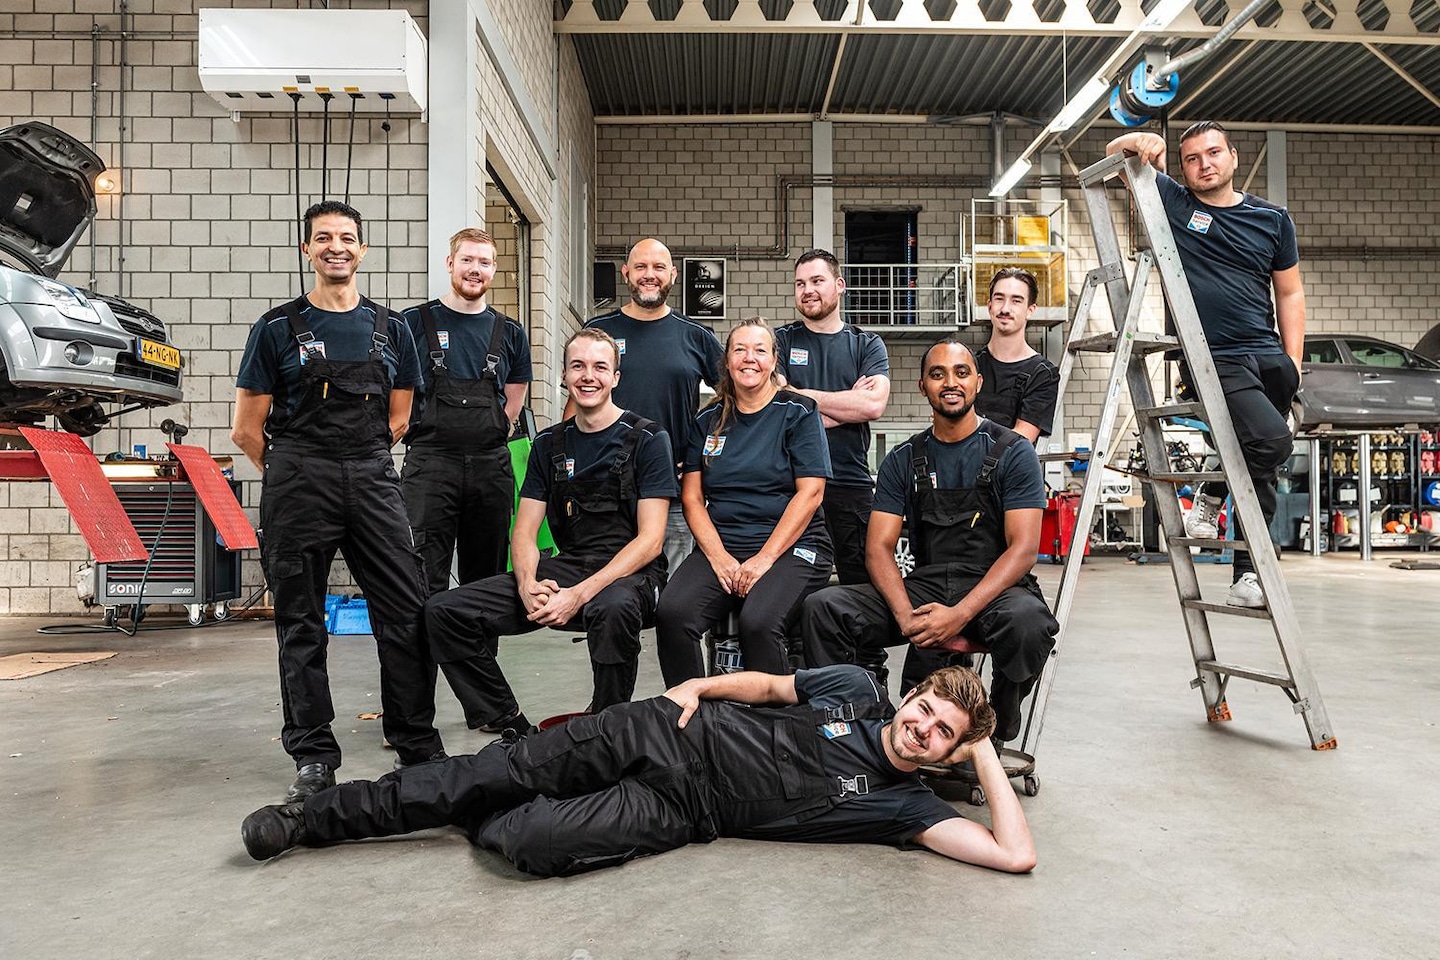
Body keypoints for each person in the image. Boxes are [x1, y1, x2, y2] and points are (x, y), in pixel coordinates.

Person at [240, 664, 1038, 878]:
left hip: (687, 813)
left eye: (942, 735)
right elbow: (768, 686)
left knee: (533, 841)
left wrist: (982, 751)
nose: (922, 729)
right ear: (911, 694)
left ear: (949, 752)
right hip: (665, 729)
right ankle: (310, 820)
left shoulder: (907, 808)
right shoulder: (857, 689)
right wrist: (695, 687)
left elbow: (1014, 855)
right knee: (484, 774)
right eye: (925, 710)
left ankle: (492, 788)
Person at [232, 200, 445, 803]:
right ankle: (313, 755)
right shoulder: (276, 328)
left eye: (347, 238)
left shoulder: (391, 329)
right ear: (306, 249)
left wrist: (358, 462)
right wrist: (293, 472)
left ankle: (415, 740)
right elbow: (246, 429)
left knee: (406, 611)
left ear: (362, 249)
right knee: (301, 622)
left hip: (373, 477)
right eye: (323, 238)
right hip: (300, 482)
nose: (336, 247)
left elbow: (400, 416)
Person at [800, 339, 1059, 748]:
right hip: (927, 584)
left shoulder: (1012, 452)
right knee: (825, 608)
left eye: (961, 373)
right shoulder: (904, 458)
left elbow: (1023, 549)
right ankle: (856, 724)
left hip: (994, 589)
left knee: (1029, 624)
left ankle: (997, 721)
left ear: (977, 383)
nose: (950, 382)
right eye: (938, 374)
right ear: (923, 386)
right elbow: (878, 548)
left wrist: (959, 614)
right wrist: (905, 616)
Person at [423, 329, 675, 734]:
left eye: (600, 367)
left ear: (615, 377)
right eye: (578, 366)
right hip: (569, 567)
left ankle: (606, 727)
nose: (588, 376)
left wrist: (579, 594)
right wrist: (527, 583)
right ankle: (509, 723)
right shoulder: (548, 445)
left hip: (632, 575)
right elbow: (524, 531)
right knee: (445, 611)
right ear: (564, 375)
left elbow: (650, 542)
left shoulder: (648, 439)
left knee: (612, 608)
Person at [1107, 122, 1306, 608]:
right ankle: (1214, 498)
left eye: (1213, 153)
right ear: (1183, 168)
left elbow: (1290, 292)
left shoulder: (1273, 219)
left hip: (1268, 357)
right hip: (1210, 357)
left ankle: (1247, 575)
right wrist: (1141, 142)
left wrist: (1294, 363)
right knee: (1271, 442)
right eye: (1192, 158)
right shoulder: (1174, 204)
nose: (1205, 164)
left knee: (1256, 461)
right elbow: (1114, 155)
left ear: (1234, 157)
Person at [655, 318, 834, 684]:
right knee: (673, 613)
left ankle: (773, 716)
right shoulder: (707, 420)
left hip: (793, 548)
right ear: (727, 361)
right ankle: (692, 710)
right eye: (740, 349)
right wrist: (719, 557)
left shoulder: (798, 412)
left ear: (774, 361)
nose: (749, 358)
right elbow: (692, 497)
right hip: (725, 545)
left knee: (759, 621)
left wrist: (764, 559)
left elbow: (811, 493)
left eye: (759, 350)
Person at [400, 228, 532, 596]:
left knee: (486, 577)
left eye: (484, 262)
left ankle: (477, 637)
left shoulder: (510, 332)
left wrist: (497, 426)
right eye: (467, 260)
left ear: (493, 269)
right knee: (422, 574)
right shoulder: (412, 323)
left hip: (490, 467)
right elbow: (395, 388)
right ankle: (424, 637)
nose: (475, 269)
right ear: (450, 263)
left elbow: (515, 393)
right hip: (429, 465)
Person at [581, 239, 724, 575]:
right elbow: (578, 403)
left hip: (670, 488)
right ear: (626, 273)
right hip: (605, 488)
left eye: (658, 267)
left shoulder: (696, 335)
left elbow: (736, 398)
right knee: (606, 586)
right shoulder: (599, 332)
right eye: (641, 267)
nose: (650, 274)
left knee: (672, 593)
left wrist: (704, 453)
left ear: (673, 275)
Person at [775, 248, 891, 585]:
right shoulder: (780, 341)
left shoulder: (866, 345)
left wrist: (799, 396)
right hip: (790, 485)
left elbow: (873, 406)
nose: (807, 290)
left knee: (861, 584)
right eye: (800, 283)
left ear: (839, 285)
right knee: (790, 585)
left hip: (849, 483)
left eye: (817, 281)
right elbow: (776, 410)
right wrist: (847, 407)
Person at [973, 267, 1058, 444]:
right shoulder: (969, 366)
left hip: (1009, 464)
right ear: (989, 306)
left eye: (1016, 301)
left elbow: (1019, 441)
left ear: (1030, 310)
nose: (1005, 308)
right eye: (999, 299)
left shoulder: (1042, 374)